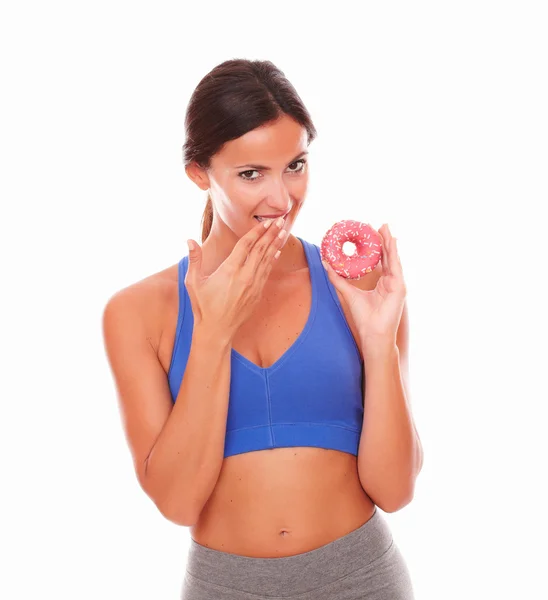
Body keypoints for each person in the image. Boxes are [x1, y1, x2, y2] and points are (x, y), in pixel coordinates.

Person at [102, 58, 423, 599]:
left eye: (295, 166)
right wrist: (212, 334)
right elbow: (178, 503)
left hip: (362, 578)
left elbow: (395, 490)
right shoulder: (137, 312)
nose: (282, 200)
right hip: (227, 587)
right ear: (200, 173)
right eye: (251, 174)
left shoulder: (358, 284)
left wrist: (378, 344)